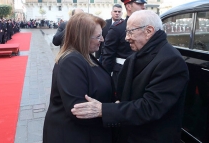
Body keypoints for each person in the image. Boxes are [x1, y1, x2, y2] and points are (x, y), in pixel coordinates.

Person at [71, 10, 189, 143]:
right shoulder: (139, 54)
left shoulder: (171, 61)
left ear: (149, 31)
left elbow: (150, 107)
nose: (126, 38)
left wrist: (104, 110)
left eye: (130, 32)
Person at [43, 13, 115, 143]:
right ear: (83, 38)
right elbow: (78, 109)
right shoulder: (71, 62)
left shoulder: (84, 55)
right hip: (74, 135)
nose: (102, 39)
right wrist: (110, 112)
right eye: (98, 36)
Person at [102, 0, 146, 87]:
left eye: (144, 4)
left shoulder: (147, 26)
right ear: (128, 6)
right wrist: (106, 80)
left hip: (142, 74)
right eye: (139, 4)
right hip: (123, 75)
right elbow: (108, 56)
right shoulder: (118, 28)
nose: (143, 6)